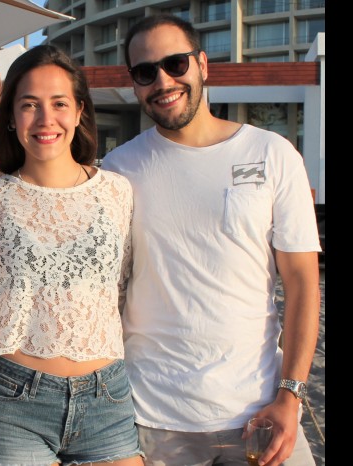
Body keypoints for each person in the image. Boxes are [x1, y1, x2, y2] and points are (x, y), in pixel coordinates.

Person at [100, 14, 321, 466]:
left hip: (259, 412)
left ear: (203, 65)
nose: (163, 80)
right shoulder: (118, 169)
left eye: (175, 63)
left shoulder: (272, 154)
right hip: (151, 419)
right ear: (135, 84)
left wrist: (291, 395)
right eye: (145, 72)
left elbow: (301, 283)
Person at [0, 44, 144, 466]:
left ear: (79, 111)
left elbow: (120, 287)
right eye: (29, 105)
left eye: (59, 103)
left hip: (107, 398)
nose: (46, 120)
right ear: (10, 116)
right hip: (13, 402)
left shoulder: (118, 192)